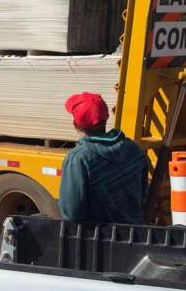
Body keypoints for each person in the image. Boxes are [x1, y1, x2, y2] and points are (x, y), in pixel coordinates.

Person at [59, 93, 148, 224]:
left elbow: (72, 214)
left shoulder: (80, 158)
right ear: (105, 119)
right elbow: (144, 194)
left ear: (75, 123)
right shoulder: (133, 148)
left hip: (100, 240)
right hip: (134, 234)